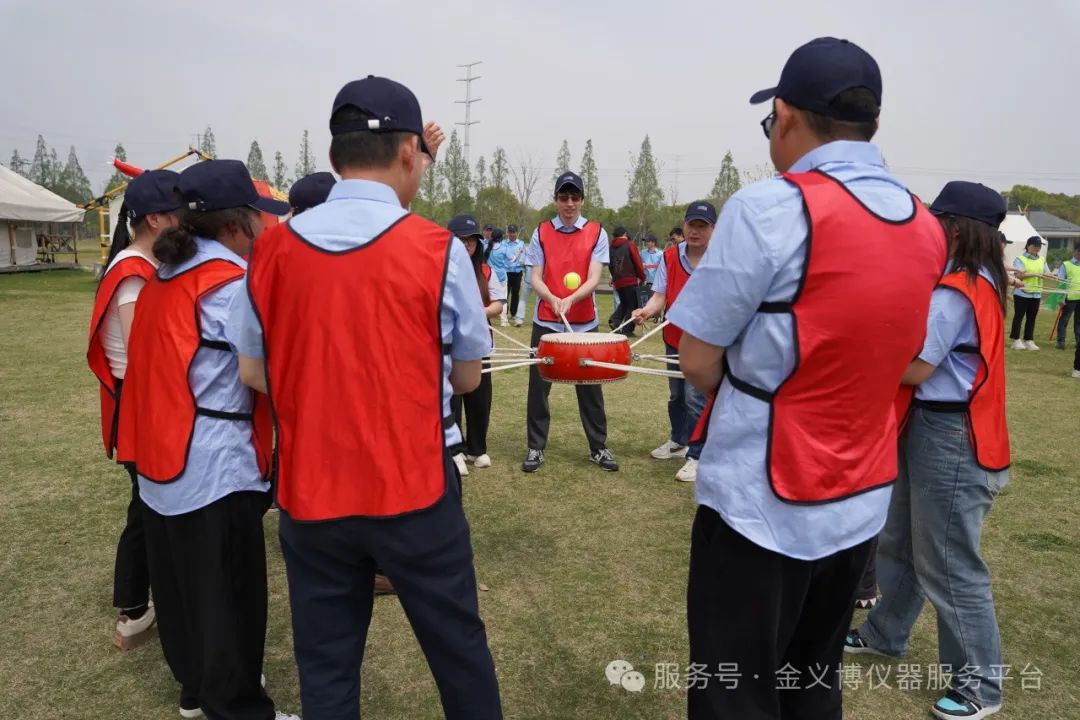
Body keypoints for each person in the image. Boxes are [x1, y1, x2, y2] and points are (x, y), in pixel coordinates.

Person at [670, 37, 946, 720]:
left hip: (762, 502)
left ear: (786, 117)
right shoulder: (924, 224)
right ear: (871, 123)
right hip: (860, 497)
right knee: (813, 682)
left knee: (735, 690)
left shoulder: (769, 208)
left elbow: (697, 360)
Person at [229, 76, 502, 720]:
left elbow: (253, 371)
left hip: (311, 493)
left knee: (326, 667)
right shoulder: (437, 249)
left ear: (334, 156)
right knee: (458, 652)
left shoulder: (273, 250)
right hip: (414, 490)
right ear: (410, 151)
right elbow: (468, 379)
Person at [118, 159, 297, 720]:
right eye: (259, 218)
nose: (264, 228)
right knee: (229, 594)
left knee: (182, 589)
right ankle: (237, 707)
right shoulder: (230, 284)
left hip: (163, 459)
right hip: (216, 464)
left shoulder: (163, 276)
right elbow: (260, 374)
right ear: (238, 224)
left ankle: (196, 690)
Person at [846, 180, 1011, 720]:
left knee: (948, 562)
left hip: (951, 435)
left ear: (956, 230)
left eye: (938, 222)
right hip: (933, 426)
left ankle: (980, 685)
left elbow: (914, 367)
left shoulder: (958, 290)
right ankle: (885, 632)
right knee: (903, 540)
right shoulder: (975, 279)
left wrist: (851, 357)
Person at [87, 169, 183, 651]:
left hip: (142, 396)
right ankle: (134, 609)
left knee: (146, 506)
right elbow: (145, 352)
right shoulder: (133, 274)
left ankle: (135, 609)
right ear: (154, 220)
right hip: (140, 399)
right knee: (148, 508)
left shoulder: (141, 265)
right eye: (179, 212)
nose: (186, 220)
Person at [522, 171, 617, 473]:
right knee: (538, 388)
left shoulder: (597, 232)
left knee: (590, 388)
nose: (569, 203)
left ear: (582, 200)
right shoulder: (541, 232)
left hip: (584, 323)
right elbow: (535, 276)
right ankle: (536, 447)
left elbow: (594, 277)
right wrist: (551, 297)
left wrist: (572, 298)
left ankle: (598, 447)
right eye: (564, 197)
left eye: (575, 197)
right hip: (547, 321)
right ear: (556, 200)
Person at [632, 201, 716, 483]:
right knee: (677, 395)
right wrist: (646, 311)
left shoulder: (723, 258)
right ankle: (679, 441)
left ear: (714, 230)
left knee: (696, 397)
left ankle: (699, 455)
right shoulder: (669, 257)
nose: (695, 231)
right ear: (684, 225)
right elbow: (660, 296)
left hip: (705, 342)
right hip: (674, 337)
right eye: (691, 225)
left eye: (702, 226)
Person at [449, 214, 506, 470]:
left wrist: (477, 312)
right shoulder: (439, 269)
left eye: (470, 240)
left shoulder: (486, 271)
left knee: (480, 396)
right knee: (452, 397)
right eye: (460, 240)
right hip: (449, 344)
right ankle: (455, 450)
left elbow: (498, 304)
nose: (466, 245)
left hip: (479, 343)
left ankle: (477, 449)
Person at [1009, 235, 1050, 350]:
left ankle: (1029, 340)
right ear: (1028, 246)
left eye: (1039, 246)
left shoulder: (1042, 259)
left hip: (1036, 293)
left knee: (1032, 318)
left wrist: (1048, 275)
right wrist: (1035, 274)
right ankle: (1016, 340)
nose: (1037, 248)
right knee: (1019, 317)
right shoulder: (1020, 259)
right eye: (1035, 246)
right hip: (1022, 293)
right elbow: (1018, 275)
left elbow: (1047, 272)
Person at [607, 226, 646, 337]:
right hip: (630, 279)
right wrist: (642, 277)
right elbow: (637, 261)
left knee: (624, 303)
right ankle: (627, 329)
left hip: (618, 281)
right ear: (625, 234)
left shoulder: (611, 248)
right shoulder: (629, 244)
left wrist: (614, 278)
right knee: (633, 304)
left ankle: (615, 321)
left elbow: (610, 265)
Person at [1054, 243, 1080, 374]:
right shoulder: (1066, 264)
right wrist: (1060, 298)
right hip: (1069, 297)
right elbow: (1061, 281)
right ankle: (1061, 341)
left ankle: (1078, 342)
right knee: (1064, 320)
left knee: (1079, 322)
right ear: (1076, 251)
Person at [486, 227, 512, 326]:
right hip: (501, 277)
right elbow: (512, 259)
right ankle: (504, 321)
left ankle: (488, 317)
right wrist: (518, 254)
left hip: (489, 276)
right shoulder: (504, 248)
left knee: (489, 298)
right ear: (501, 237)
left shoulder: (487, 247)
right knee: (503, 299)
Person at [514, 234, 536, 328]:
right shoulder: (543, 249)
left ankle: (519, 319)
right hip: (538, 279)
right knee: (539, 301)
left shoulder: (526, 249)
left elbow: (521, 263)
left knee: (523, 299)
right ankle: (536, 321)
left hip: (530, 277)